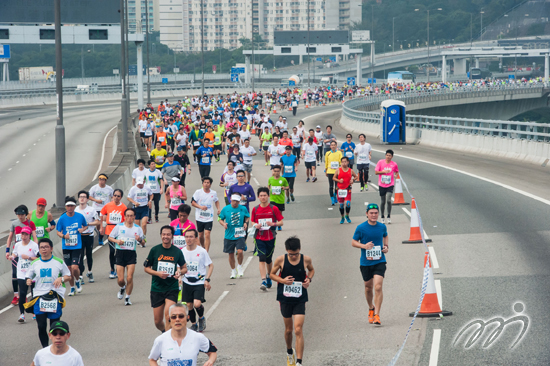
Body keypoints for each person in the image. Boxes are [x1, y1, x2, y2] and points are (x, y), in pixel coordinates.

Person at [270, 236, 315, 366]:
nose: (294, 257)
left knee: (298, 329)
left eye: (296, 254)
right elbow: (272, 274)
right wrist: (283, 281)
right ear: (286, 250)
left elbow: (311, 270)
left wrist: (309, 279)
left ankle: (299, 362)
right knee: (289, 330)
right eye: (291, 254)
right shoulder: (280, 260)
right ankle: (289, 352)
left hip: (300, 298)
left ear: (299, 250)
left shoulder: (306, 259)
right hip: (285, 298)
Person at [24, 238, 71, 348]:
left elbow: (68, 276)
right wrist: (28, 281)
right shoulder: (35, 263)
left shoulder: (58, 262)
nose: (44, 249)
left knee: (54, 327)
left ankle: (55, 347)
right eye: (41, 247)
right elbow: (28, 276)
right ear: (39, 249)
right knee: (41, 325)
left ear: (51, 248)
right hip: (39, 297)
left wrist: (61, 279)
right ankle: (45, 348)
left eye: (46, 247)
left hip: (55, 296)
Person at [351, 203, 389, 326]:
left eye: (376, 213)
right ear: (367, 214)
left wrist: (386, 247)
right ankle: (371, 307)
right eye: (371, 213)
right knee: (368, 287)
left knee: (378, 287)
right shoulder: (361, 228)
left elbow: (385, 236)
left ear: (378, 214)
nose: (373, 215)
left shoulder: (382, 227)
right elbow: (353, 242)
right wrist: (364, 246)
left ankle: (377, 314)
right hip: (366, 262)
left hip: (380, 260)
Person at [144, 226, 186, 333]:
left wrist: (179, 272)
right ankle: (165, 332)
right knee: (157, 321)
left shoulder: (177, 251)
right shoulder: (155, 250)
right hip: (157, 288)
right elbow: (146, 268)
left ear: (172, 236)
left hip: (172, 287)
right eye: (164, 234)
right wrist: (157, 273)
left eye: (168, 234)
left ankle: (168, 342)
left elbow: (184, 268)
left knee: (168, 315)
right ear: (161, 235)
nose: (165, 237)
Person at [148, 303, 217, 366]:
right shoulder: (160, 340)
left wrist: (210, 361)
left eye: (181, 316)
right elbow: (152, 360)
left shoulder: (197, 337)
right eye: (174, 317)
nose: (177, 319)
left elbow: (213, 352)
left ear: (188, 317)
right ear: (169, 319)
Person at [109, 207, 145, 306]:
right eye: (127, 216)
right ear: (124, 217)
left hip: (131, 254)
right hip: (120, 253)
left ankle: (128, 297)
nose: (129, 218)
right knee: (121, 280)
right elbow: (110, 237)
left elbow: (143, 243)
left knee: (129, 277)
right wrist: (117, 241)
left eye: (131, 216)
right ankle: (122, 287)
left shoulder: (138, 228)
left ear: (134, 217)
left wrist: (139, 240)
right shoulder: (119, 227)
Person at [250, 187, 284, 291]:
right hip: (259, 237)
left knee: (269, 259)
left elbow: (281, 222)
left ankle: (269, 276)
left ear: (268, 196)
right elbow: (252, 221)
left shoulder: (274, 208)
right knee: (262, 258)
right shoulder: (255, 209)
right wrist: (256, 225)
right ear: (258, 197)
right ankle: (263, 280)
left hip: (270, 237)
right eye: (261, 196)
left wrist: (273, 224)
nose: (263, 197)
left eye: (265, 195)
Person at [181, 229, 214, 332]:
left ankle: (201, 318)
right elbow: (179, 266)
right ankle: (194, 324)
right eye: (186, 237)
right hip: (186, 280)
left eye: (191, 237)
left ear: (196, 238)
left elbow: (211, 265)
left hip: (199, 280)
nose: (188, 239)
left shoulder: (201, 251)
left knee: (197, 304)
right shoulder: (182, 251)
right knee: (189, 305)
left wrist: (207, 279)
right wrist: (179, 277)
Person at [56, 197, 88, 296]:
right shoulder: (62, 218)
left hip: (77, 246)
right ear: (66, 207)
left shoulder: (80, 216)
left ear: (75, 206)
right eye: (68, 206)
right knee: (69, 269)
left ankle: (77, 281)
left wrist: (83, 230)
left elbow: (85, 225)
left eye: (72, 206)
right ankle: (72, 288)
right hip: (66, 246)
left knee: (75, 267)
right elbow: (58, 231)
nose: (70, 208)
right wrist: (63, 236)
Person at [6, 204, 38, 305]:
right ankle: (16, 296)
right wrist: (8, 251)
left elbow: (34, 236)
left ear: (26, 214)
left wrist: (36, 247)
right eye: (18, 215)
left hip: (28, 250)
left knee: (30, 273)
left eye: (22, 214)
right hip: (17, 250)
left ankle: (28, 295)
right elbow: (10, 237)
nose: (20, 216)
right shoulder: (14, 223)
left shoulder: (30, 223)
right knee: (15, 274)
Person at [10, 226, 39, 323]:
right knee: (22, 293)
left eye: (26, 234)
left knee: (34, 292)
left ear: (30, 235)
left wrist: (29, 258)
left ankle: (35, 312)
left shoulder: (34, 245)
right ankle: (22, 314)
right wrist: (12, 257)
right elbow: (15, 254)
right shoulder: (18, 245)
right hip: (21, 272)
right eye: (22, 234)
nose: (24, 236)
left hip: (32, 273)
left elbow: (39, 258)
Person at [219, 193, 250, 279]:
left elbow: (247, 217)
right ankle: (233, 270)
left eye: (237, 201)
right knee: (231, 254)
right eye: (233, 201)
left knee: (240, 251)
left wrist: (245, 223)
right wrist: (223, 224)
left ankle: (239, 266)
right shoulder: (226, 209)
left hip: (239, 234)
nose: (235, 203)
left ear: (239, 201)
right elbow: (220, 218)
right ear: (231, 200)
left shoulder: (243, 208)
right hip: (229, 235)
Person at [100, 189, 127, 279]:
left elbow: (126, 219)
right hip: (110, 230)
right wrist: (101, 226)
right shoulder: (108, 205)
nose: (116, 197)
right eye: (115, 195)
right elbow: (101, 213)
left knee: (119, 251)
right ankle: (112, 269)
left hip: (120, 231)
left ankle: (119, 267)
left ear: (121, 197)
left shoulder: (123, 207)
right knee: (112, 251)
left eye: (118, 196)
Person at [75, 191, 100, 284]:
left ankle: (89, 272)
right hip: (79, 236)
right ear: (78, 199)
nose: (82, 198)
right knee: (80, 255)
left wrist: (88, 224)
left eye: (84, 197)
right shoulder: (75, 210)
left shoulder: (92, 209)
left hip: (89, 235)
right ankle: (80, 275)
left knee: (89, 254)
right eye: (80, 197)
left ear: (87, 199)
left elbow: (97, 222)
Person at [191, 177, 221, 252]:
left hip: (209, 217)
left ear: (210, 184)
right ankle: (203, 246)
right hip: (199, 217)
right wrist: (200, 207)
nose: (206, 184)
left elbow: (216, 201)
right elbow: (192, 203)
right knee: (200, 235)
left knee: (207, 234)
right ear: (202, 184)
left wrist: (218, 209)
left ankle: (206, 252)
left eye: (208, 183)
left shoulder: (213, 193)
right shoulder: (198, 192)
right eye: (205, 182)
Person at [89, 173, 114, 246]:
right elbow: (90, 196)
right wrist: (96, 200)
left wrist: (112, 202)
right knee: (98, 225)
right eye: (100, 179)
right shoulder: (94, 188)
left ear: (105, 181)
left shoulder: (109, 188)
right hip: (96, 208)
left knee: (103, 224)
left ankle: (100, 238)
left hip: (105, 209)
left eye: (103, 180)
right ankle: (99, 233)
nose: (101, 181)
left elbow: (112, 196)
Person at [375, 149, 399, 224]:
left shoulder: (394, 164)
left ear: (392, 157)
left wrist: (395, 175)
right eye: (387, 155)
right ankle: (382, 216)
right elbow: (376, 172)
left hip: (390, 184)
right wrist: (383, 172)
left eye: (390, 156)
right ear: (385, 155)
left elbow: (397, 171)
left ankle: (388, 216)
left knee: (389, 200)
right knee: (383, 201)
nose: (388, 157)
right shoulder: (380, 162)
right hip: (382, 184)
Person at [127, 177, 153, 245]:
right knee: (137, 226)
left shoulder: (147, 187)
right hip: (136, 208)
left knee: (144, 224)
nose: (139, 185)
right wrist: (134, 202)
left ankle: (143, 237)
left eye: (141, 184)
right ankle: (138, 238)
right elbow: (128, 197)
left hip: (145, 207)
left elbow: (151, 194)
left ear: (144, 182)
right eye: (138, 184)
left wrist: (150, 201)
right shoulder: (133, 189)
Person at [333, 157, 358, 224]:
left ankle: (347, 215)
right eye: (342, 162)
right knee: (341, 205)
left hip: (347, 189)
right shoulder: (338, 170)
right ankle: (342, 217)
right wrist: (339, 180)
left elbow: (356, 176)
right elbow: (334, 178)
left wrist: (353, 180)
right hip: (340, 189)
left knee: (348, 203)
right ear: (341, 163)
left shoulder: (350, 170)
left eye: (345, 161)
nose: (344, 163)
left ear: (348, 162)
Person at [268, 166, 289, 231]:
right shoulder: (270, 179)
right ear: (273, 171)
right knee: (273, 212)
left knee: (279, 213)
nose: (276, 173)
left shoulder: (283, 179)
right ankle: (274, 225)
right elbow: (268, 186)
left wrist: (284, 188)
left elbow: (288, 187)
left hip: (280, 199)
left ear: (280, 171)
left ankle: (279, 224)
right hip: (273, 199)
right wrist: (268, 190)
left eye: (278, 171)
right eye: (275, 171)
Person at [324, 141, 343, 206]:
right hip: (330, 171)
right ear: (330, 146)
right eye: (332, 145)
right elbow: (326, 162)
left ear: (336, 146)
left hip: (337, 172)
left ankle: (335, 195)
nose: (333, 146)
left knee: (337, 186)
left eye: (334, 145)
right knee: (331, 186)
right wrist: (326, 170)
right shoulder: (328, 153)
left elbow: (341, 162)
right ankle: (332, 199)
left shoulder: (339, 153)